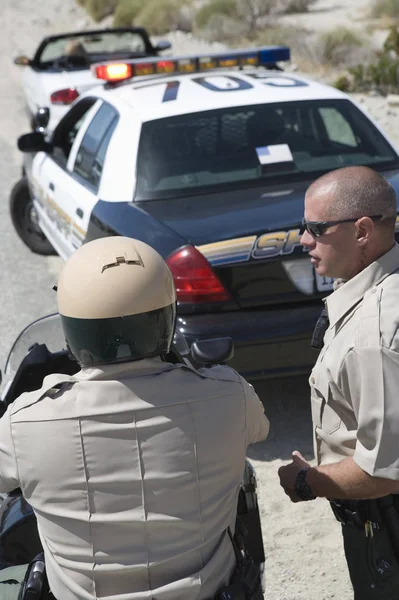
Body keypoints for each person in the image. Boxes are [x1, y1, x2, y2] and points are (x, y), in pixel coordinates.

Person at [0, 236, 269, 600]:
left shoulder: (24, 423)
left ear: (73, 327)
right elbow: (261, 430)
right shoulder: (229, 395)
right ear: (167, 317)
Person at [278, 165, 399, 598]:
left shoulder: (376, 331)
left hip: (386, 527)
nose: (303, 240)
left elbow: (385, 471)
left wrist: (305, 481)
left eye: (316, 228)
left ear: (363, 231)